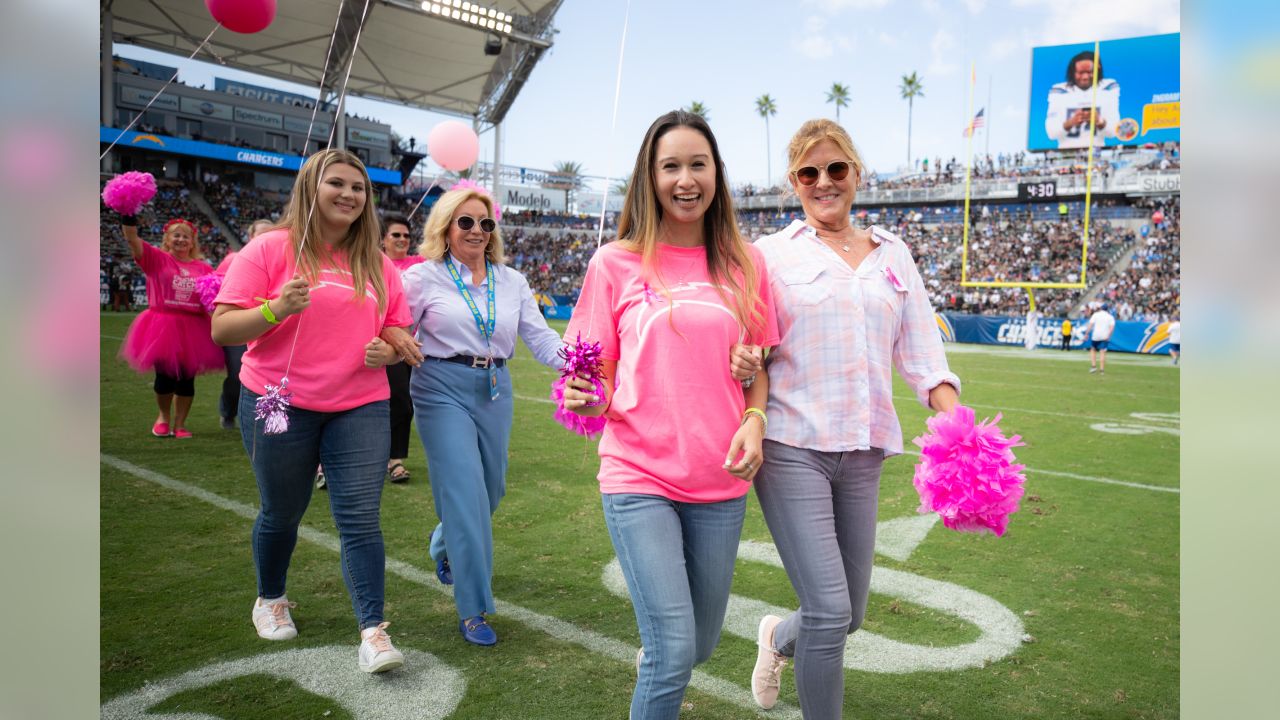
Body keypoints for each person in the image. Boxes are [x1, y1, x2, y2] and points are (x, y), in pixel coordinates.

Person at [732, 118, 960, 718]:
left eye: (836, 169)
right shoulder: (768, 256)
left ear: (857, 173)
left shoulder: (894, 254)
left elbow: (923, 355)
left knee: (849, 614)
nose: (824, 182)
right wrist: (744, 355)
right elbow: (748, 347)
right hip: (791, 446)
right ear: (794, 182)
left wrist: (960, 427)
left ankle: (777, 639)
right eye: (810, 172)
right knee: (831, 610)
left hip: (863, 453)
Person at [561, 110, 778, 719]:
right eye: (671, 166)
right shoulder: (614, 263)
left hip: (720, 479)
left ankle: (660, 655)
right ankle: (661, 658)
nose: (686, 179)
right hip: (639, 475)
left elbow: (757, 366)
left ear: (717, 174)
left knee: (699, 646)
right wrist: (586, 397)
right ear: (648, 178)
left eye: (698, 164)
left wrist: (754, 417)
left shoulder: (746, 263)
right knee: (676, 648)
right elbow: (591, 376)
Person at [211, 149, 412, 674]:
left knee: (361, 519)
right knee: (282, 511)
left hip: (361, 405)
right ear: (311, 188)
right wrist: (276, 308)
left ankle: (373, 630)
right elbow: (223, 329)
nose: (349, 195)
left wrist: (389, 350)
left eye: (359, 188)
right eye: (337, 184)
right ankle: (270, 597)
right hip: (279, 403)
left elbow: (398, 329)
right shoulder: (270, 249)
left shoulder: (378, 262)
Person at [388, 187, 564, 647]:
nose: (477, 231)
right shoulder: (422, 277)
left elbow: (541, 339)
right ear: (445, 227)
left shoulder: (512, 281)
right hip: (439, 385)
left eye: (485, 224)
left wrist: (580, 360)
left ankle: (445, 542)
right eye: (465, 222)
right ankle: (474, 609)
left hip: (495, 389)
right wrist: (389, 344)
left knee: (492, 487)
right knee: (466, 491)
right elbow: (396, 328)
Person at [118, 215, 225, 439]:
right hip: (162, 325)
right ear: (167, 239)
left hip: (193, 327)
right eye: (176, 235)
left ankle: (180, 424)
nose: (181, 239)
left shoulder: (204, 268)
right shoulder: (157, 259)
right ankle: (163, 417)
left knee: (187, 379)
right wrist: (128, 217)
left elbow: (213, 296)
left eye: (186, 236)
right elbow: (132, 240)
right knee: (165, 378)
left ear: (193, 242)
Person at [217, 219, 275, 430]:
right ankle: (228, 410)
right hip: (241, 325)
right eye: (261, 234)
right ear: (250, 237)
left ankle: (257, 420)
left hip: (268, 327)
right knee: (235, 375)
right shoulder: (234, 259)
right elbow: (215, 287)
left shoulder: (279, 258)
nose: (266, 238)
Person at [380, 213, 425, 483]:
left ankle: (395, 459)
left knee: (402, 403)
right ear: (383, 239)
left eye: (406, 235)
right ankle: (327, 461)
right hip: (373, 341)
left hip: (409, 345)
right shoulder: (373, 262)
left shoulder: (419, 264)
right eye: (395, 234)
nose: (402, 239)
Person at [1045, 49, 1119, 149]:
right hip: (1066, 152)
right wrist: (1071, 122)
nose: (1085, 77)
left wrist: (1099, 121)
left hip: (1097, 152)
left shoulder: (1108, 87)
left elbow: (1113, 132)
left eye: (1089, 72)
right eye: (1080, 73)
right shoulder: (1059, 91)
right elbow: (1051, 133)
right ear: (1072, 72)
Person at [1078, 303, 1116, 374]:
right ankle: (1102, 369)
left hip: (1096, 335)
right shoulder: (1110, 317)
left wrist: (1086, 334)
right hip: (1104, 335)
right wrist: (1109, 336)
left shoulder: (1096, 315)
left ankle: (1093, 366)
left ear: (1101, 308)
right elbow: (1112, 328)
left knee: (1093, 350)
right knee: (1102, 352)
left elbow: (1090, 325)